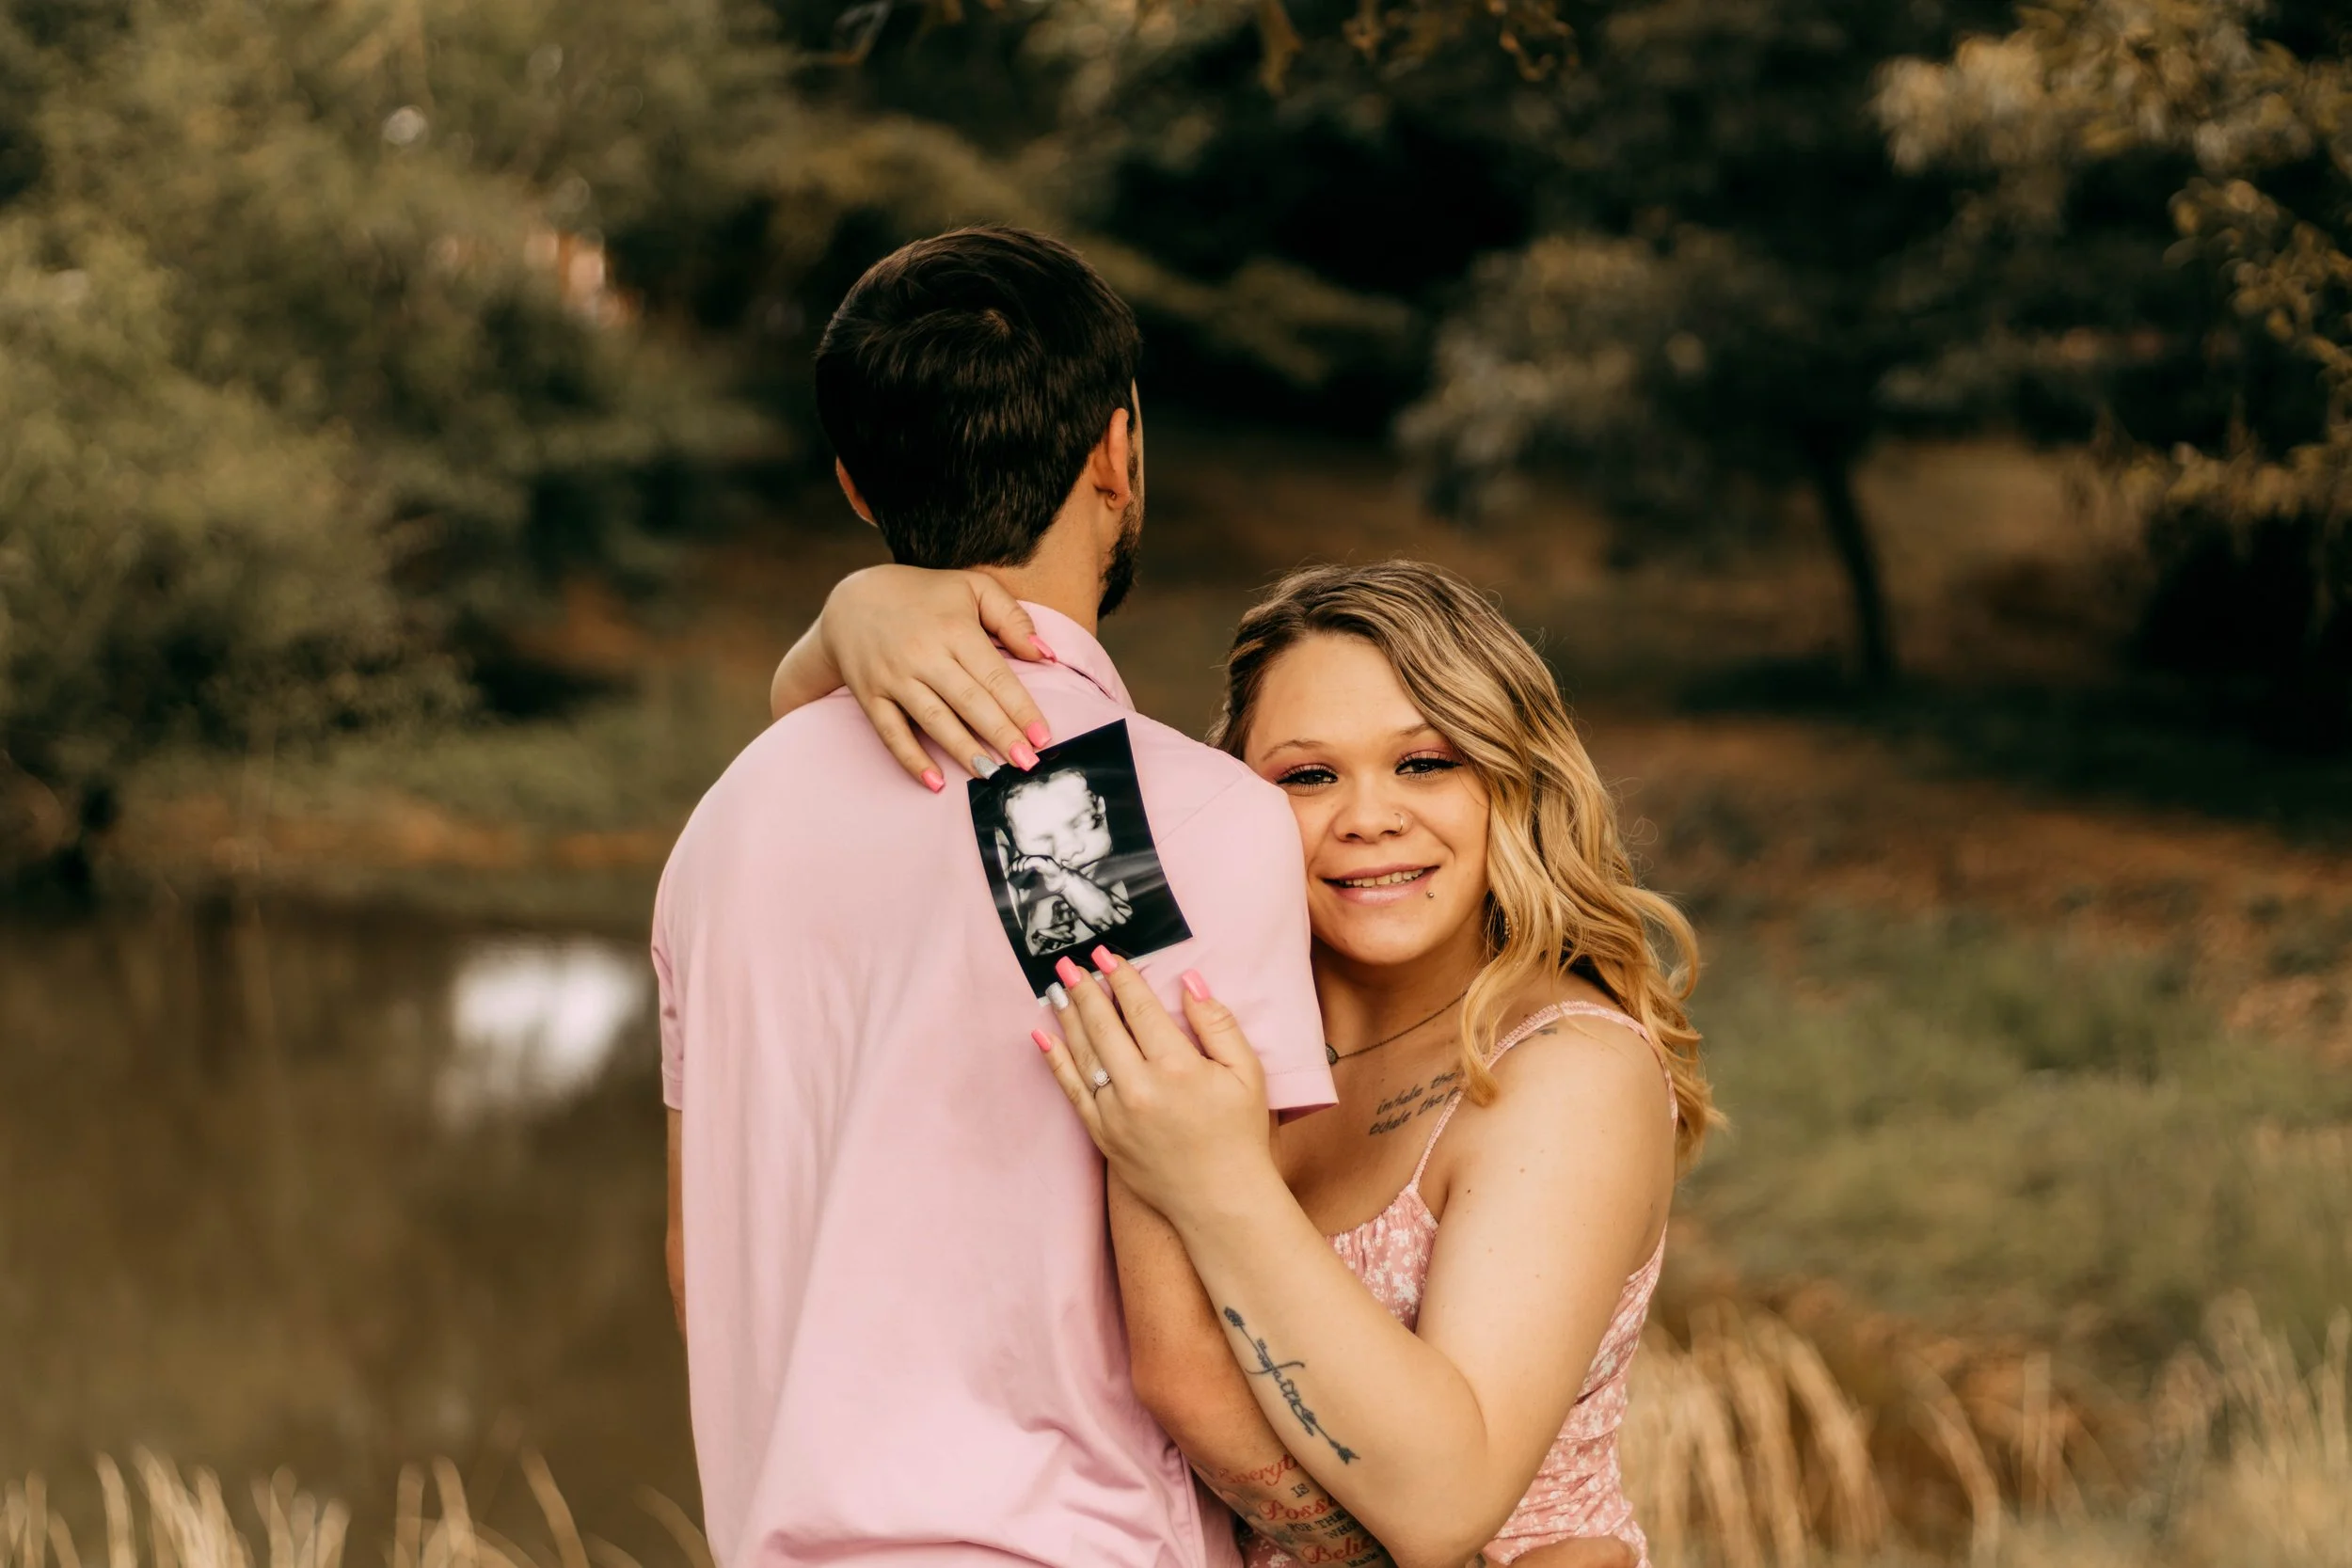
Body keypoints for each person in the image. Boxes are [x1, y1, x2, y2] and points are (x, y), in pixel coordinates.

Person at [776, 559, 1718, 1568]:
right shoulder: (1203, 989)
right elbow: (922, 790)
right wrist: (838, 626)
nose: (1368, 815)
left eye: (1426, 761)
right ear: (1236, 800)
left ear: (1511, 778)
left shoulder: (1567, 1067)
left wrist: (1216, 1177)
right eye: (1308, 775)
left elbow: (1447, 1503)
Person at [658, 225, 1340, 1568]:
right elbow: (1180, 1337)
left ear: (857, 486)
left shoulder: (727, 818)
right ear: (1117, 453)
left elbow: (700, 1264)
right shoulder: (1116, 810)